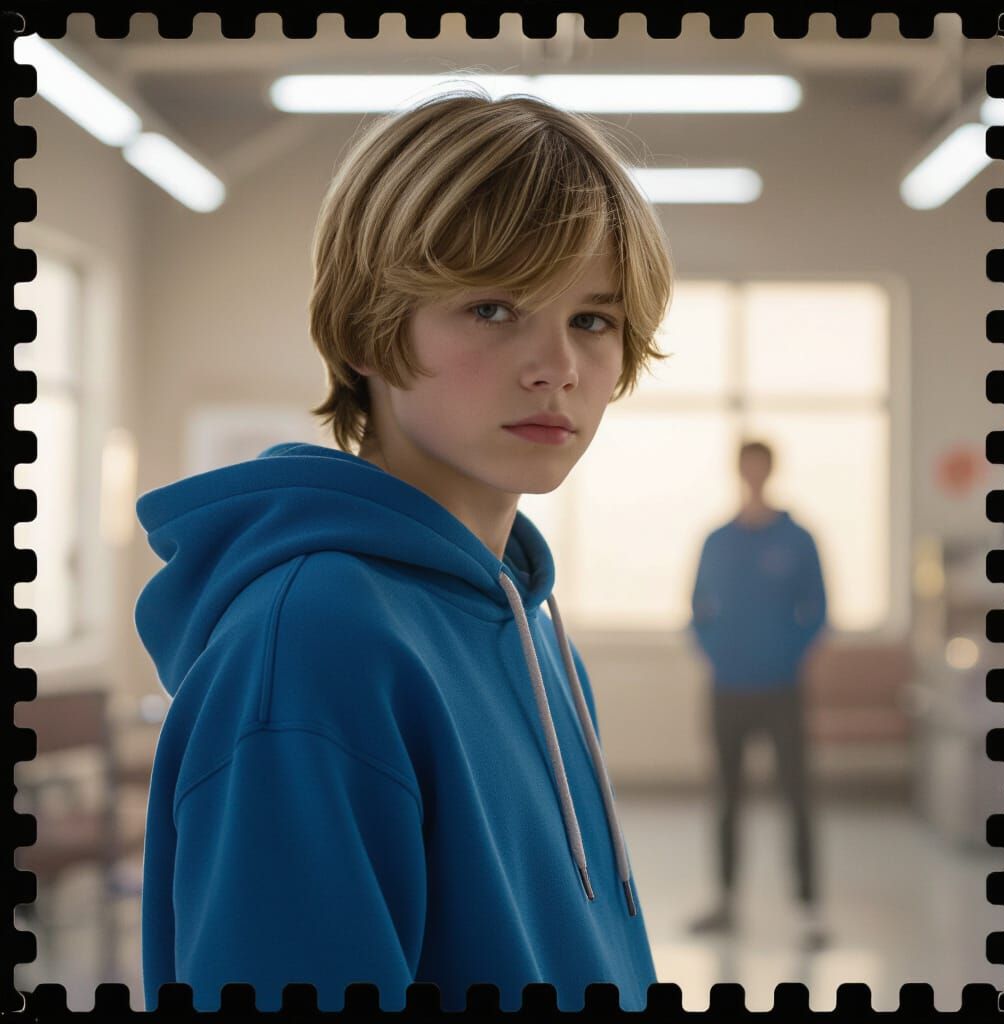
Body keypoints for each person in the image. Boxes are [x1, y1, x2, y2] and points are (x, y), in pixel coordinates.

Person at [134, 86, 676, 1013]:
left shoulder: (527, 620)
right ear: (362, 333)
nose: (559, 366)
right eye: (495, 309)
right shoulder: (311, 647)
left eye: (592, 318)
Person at [686, 440, 829, 949]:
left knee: (797, 797)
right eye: (745, 468)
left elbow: (819, 611)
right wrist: (715, 652)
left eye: (760, 468)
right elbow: (695, 608)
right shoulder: (717, 540)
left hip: (781, 689)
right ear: (738, 471)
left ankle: (810, 910)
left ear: (770, 471)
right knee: (726, 796)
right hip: (727, 689)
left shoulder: (797, 538)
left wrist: (787, 654)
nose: (753, 475)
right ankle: (725, 901)